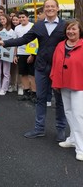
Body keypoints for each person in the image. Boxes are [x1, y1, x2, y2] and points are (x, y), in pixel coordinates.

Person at [0, 0, 67, 141]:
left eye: (53, 6)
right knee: (40, 98)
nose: (50, 9)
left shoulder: (65, 25)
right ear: (44, 9)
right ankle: (39, 128)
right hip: (40, 67)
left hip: (58, 68)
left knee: (60, 100)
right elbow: (24, 39)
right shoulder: (38, 26)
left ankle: (61, 129)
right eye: (47, 7)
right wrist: (5, 43)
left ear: (58, 8)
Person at [50, 19, 83, 161]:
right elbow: (55, 63)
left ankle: (81, 147)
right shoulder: (60, 45)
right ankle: (72, 139)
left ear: (79, 30)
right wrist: (55, 81)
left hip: (79, 84)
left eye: (74, 29)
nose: (71, 31)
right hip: (64, 83)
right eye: (68, 29)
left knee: (78, 115)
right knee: (68, 112)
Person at [13, 10, 36, 102]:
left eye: (23, 17)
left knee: (32, 74)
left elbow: (35, 42)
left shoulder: (32, 26)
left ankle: (34, 93)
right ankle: (26, 92)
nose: (22, 19)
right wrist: (15, 55)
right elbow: (16, 42)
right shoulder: (17, 28)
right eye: (20, 17)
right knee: (23, 74)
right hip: (20, 53)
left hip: (30, 54)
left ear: (27, 17)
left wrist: (32, 54)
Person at [0, 14, 16, 96]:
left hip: (7, 54)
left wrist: (14, 54)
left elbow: (14, 44)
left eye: (3, 19)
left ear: (7, 19)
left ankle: (4, 88)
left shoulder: (12, 31)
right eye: (1, 19)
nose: (2, 21)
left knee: (6, 72)